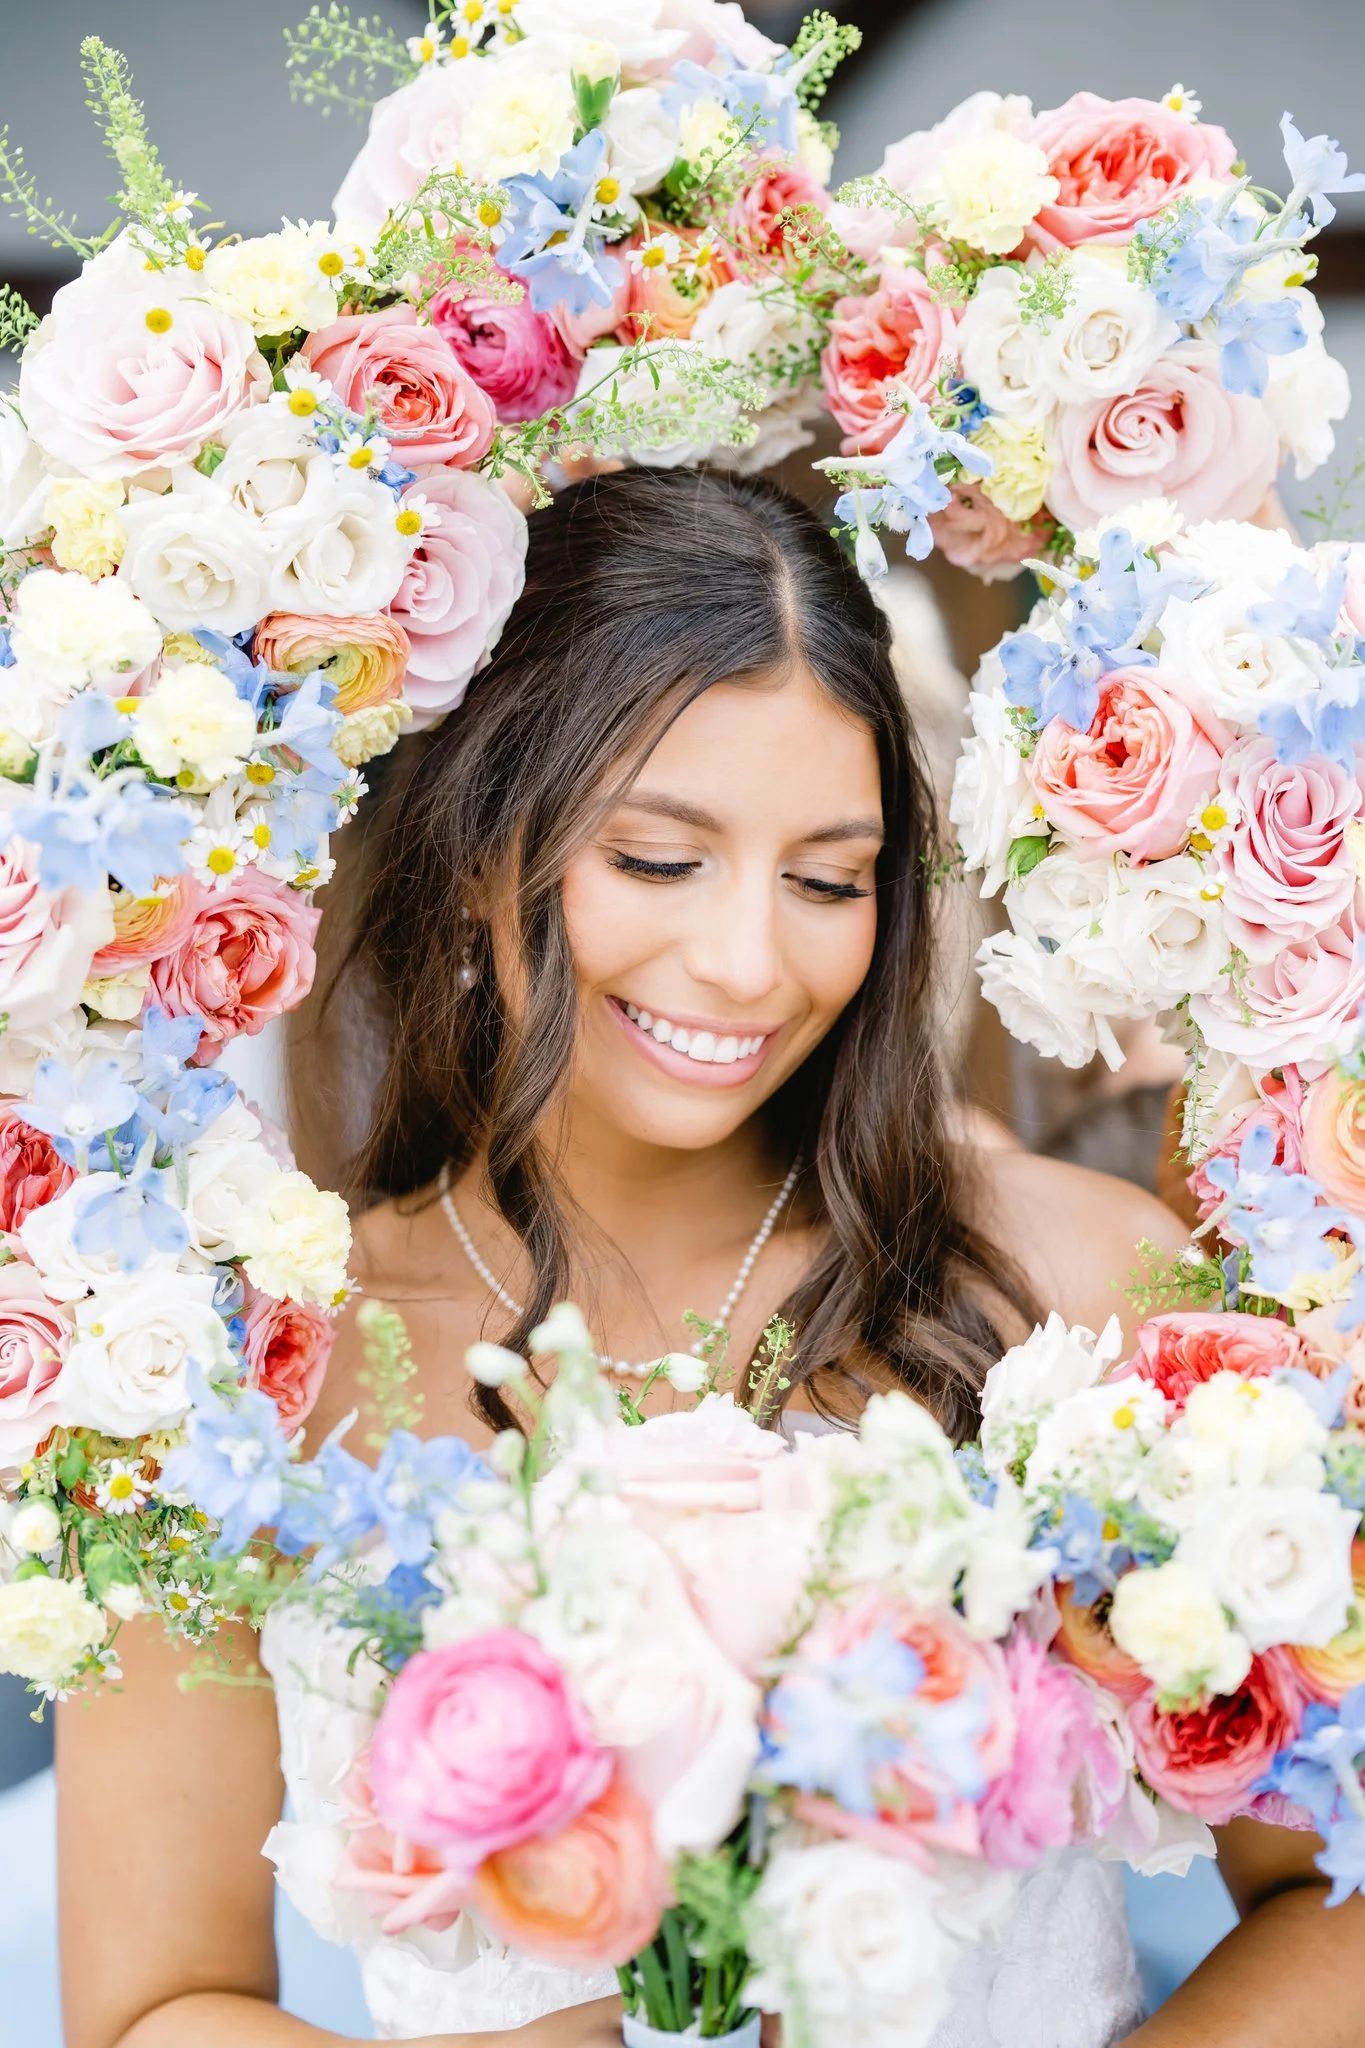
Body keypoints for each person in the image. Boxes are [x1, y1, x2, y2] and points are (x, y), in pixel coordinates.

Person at [58, 471, 1365, 2048]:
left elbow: (1336, 1896)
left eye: (828, 880)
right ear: (483, 848)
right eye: (661, 861)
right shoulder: (243, 1372)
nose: (750, 962)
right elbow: (155, 2003)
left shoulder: (1087, 1297)